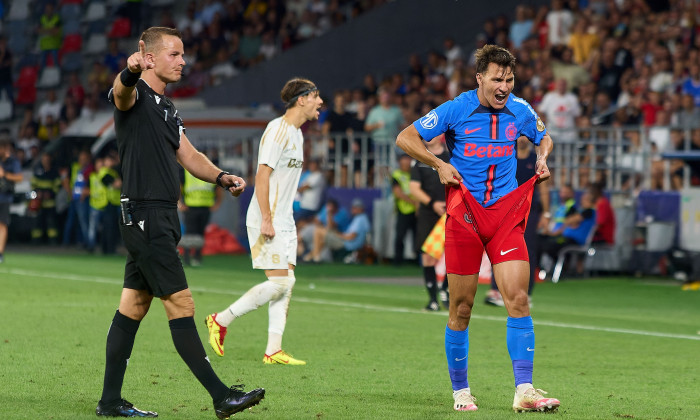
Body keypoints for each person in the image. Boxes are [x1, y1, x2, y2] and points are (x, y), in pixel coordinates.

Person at [96, 27, 264, 418]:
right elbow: (120, 94)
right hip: (146, 215)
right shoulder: (135, 95)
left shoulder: (168, 109)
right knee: (180, 301)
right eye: (174, 54)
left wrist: (221, 176)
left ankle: (109, 401)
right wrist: (129, 71)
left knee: (133, 306)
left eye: (183, 54)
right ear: (149, 57)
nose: (183, 61)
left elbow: (189, 156)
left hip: (159, 217)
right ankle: (222, 397)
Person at [396, 44, 561, 413]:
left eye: (510, 79)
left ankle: (525, 390)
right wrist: (437, 163)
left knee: (518, 299)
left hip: (503, 217)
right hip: (465, 216)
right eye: (497, 79)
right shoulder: (457, 108)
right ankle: (461, 391)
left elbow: (544, 135)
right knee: (462, 307)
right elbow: (406, 137)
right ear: (480, 78)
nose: (504, 86)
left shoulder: (520, 110)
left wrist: (541, 156)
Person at [205, 78, 324, 366]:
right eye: (317, 96)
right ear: (302, 99)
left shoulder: (297, 134)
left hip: (285, 219)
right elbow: (261, 175)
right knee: (280, 283)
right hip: (265, 217)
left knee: (288, 281)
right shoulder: (277, 130)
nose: (321, 102)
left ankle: (273, 350)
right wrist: (267, 219)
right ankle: (220, 320)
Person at [485, 136, 551, 307]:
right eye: (519, 135)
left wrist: (546, 214)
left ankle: (526, 293)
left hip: (529, 211)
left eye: (524, 136)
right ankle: (497, 290)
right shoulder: (506, 158)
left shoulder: (536, 161)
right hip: (506, 210)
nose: (521, 139)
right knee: (498, 248)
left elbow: (543, 189)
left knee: (528, 251)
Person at [410, 136, 450, 311]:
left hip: (451, 212)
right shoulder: (420, 160)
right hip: (428, 213)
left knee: (454, 255)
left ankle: (446, 289)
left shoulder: (452, 157)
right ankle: (433, 299)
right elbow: (414, 189)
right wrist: (432, 203)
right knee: (427, 257)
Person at [179, 154, 223, 267]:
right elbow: (179, 186)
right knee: (190, 233)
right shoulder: (186, 171)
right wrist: (179, 202)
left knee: (200, 233)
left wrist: (217, 203)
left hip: (205, 206)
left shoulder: (210, 172)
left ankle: (197, 257)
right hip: (190, 207)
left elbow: (218, 188)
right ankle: (187, 257)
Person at [303, 198, 371, 264]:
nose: (352, 209)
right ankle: (312, 257)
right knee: (321, 236)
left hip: (347, 244)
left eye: (355, 208)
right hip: (346, 241)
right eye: (353, 207)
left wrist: (339, 235)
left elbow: (351, 237)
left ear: (360, 209)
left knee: (318, 231)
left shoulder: (361, 219)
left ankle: (314, 257)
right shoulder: (359, 218)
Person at [30, 153, 61, 244]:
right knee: (37, 223)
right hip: (39, 202)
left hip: (50, 202)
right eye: (44, 159)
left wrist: (50, 194)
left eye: (47, 160)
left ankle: (53, 241)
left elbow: (57, 186)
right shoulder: (37, 171)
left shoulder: (54, 172)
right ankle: (36, 241)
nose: (46, 161)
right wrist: (37, 192)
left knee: (51, 223)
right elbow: (33, 184)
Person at [392, 153, 417, 266]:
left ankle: (418, 261)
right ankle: (398, 261)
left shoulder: (415, 174)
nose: (406, 163)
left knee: (418, 236)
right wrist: (414, 202)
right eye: (404, 160)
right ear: (400, 162)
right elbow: (397, 193)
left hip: (417, 211)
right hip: (403, 210)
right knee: (400, 236)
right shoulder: (396, 175)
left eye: (408, 160)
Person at [0, 139, 22, 263]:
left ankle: (0, 253)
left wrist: (4, 175)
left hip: (5, 197)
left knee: (2, 224)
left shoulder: (13, 161)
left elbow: (19, 177)